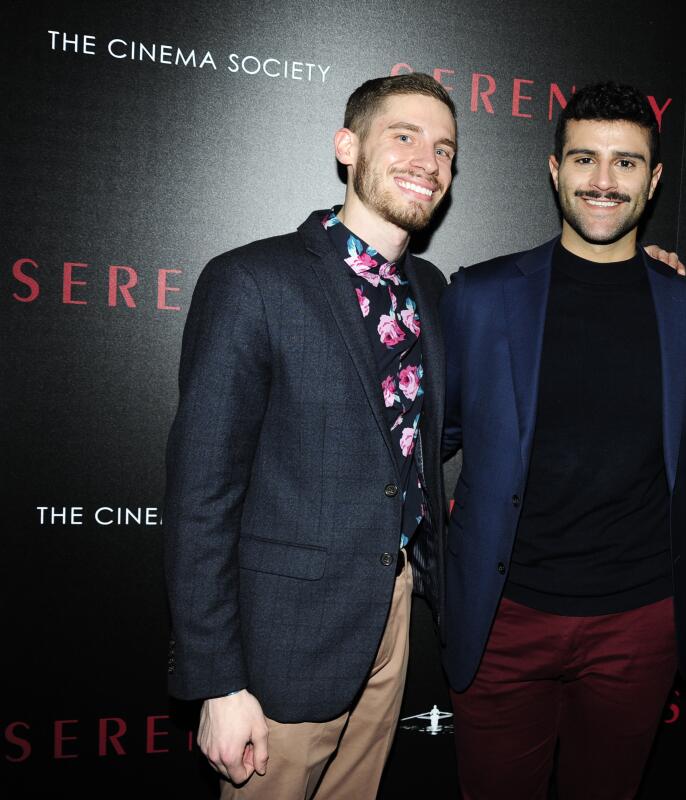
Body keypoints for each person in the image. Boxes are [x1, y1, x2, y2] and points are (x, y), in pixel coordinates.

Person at [163, 73, 455, 799]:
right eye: (405, 136)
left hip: (390, 615)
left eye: (445, 149)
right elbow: (202, 493)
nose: (429, 160)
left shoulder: (434, 291)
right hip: (281, 643)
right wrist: (218, 682)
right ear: (347, 146)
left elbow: (419, 439)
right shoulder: (253, 281)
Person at [439, 82, 686, 799]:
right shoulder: (479, 295)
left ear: (653, 181)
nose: (603, 181)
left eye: (626, 163)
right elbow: (426, 443)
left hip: (640, 622)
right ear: (554, 169)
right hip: (503, 620)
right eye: (585, 160)